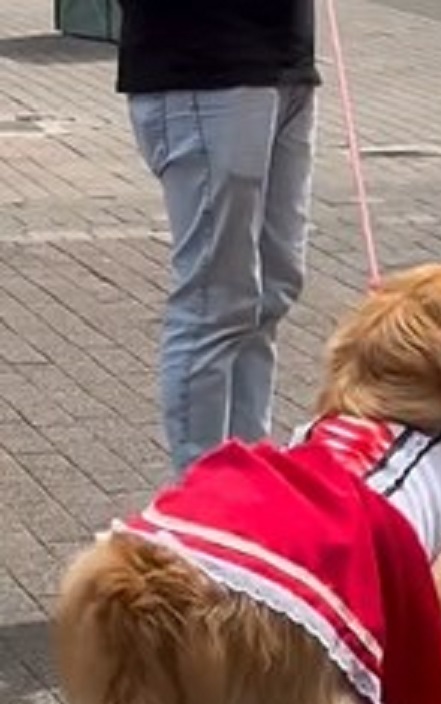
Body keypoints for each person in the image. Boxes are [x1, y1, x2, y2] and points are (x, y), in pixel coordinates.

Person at [116, 2, 319, 476]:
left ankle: (247, 488)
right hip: (203, 66)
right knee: (214, 301)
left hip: (283, 62)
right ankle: (204, 506)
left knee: (271, 292)